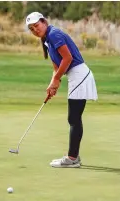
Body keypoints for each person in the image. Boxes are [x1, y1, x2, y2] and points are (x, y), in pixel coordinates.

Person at [26, 12, 98, 168]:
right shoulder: (47, 41)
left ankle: (72, 158)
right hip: (76, 77)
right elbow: (57, 67)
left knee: (73, 118)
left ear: (44, 22)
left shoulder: (54, 34)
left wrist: (57, 79)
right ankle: (74, 157)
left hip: (79, 75)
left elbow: (68, 58)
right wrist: (53, 82)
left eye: (36, 26)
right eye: (32, 29)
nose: (35, 30)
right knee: (74, 118)